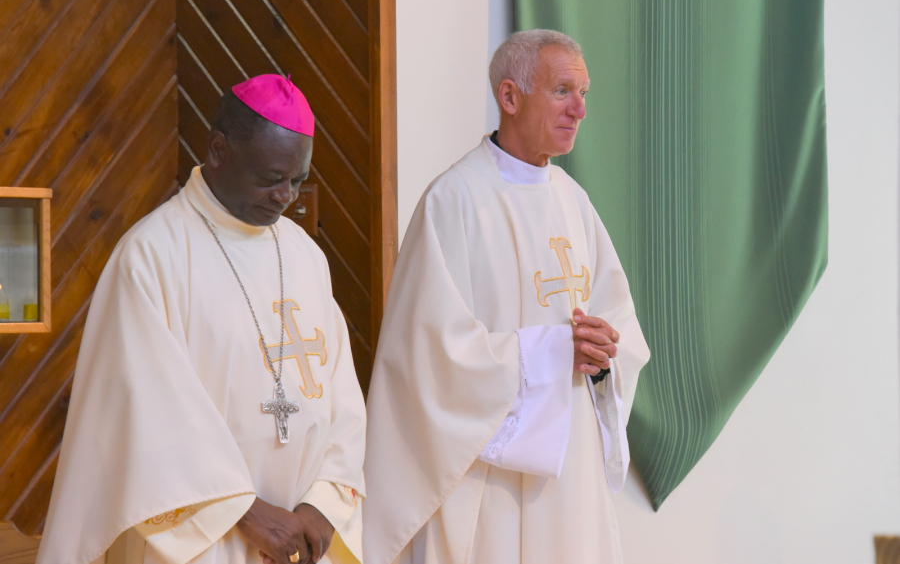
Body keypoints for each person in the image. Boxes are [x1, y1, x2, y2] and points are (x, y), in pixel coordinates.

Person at [37, 75, 366, 564]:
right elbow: (146, 419)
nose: (285, 196)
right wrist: (247, 513)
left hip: (302, 539)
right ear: (218, 149)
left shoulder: (305, 256)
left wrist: (322, 505)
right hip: (202, 543)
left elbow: (342, 398)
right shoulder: (153, 256)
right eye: (271, 178)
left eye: (296, 180)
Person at [362, 30, 651, 564]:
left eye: (584, 93)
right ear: (510, 96)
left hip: (569, 472)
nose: (580, 110)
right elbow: (430, 356)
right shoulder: (454, 201)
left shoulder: (573, 200)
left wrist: (604, 354)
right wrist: (552, 352)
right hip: (487, 478)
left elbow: (619, 326)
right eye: (563, 91)